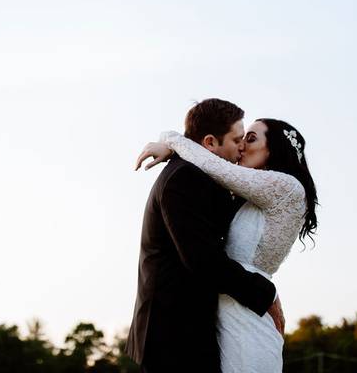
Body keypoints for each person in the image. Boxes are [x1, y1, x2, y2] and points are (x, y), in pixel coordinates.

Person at [134, 111, 319, 373]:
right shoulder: (247, 197)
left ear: (274, 149)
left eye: (251, 139)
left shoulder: (287, 187)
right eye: (240, 139)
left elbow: (216, 166)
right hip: (229, 305)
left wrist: (172, 140)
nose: (241, 146)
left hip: (249, 309)